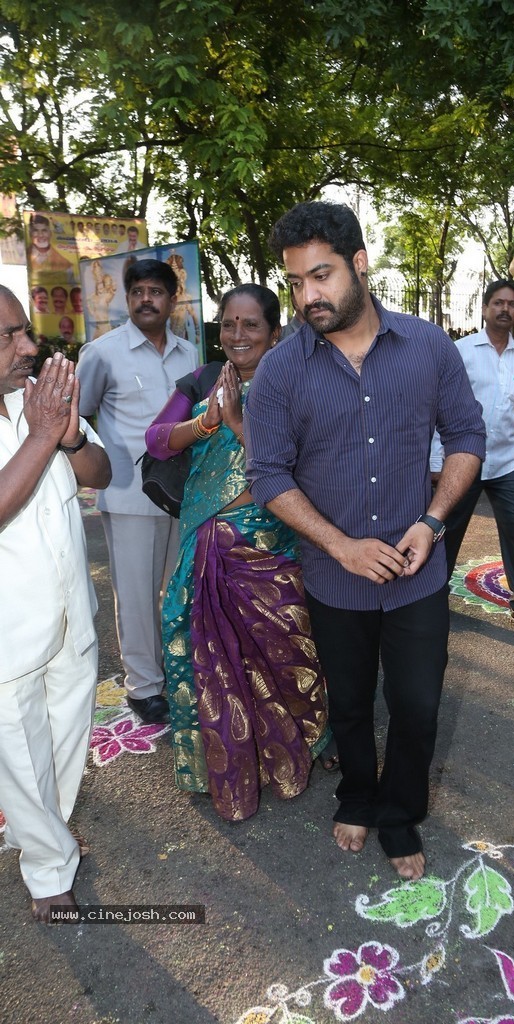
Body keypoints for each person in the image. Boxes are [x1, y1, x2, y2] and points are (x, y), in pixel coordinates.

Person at [245, 202, 486, 880]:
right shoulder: (282, 371)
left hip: (418, 570)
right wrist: (341, 545)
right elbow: (267, 475)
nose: (307, 296)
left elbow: (467, 436)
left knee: (416, 704)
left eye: (320, 276)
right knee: (348, 704)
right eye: (294, 282)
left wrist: (431, 520)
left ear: (358, 263)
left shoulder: (428, 347)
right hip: (332, 576)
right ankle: (356, 793)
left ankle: (399, 811)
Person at [146, 283, 335, 819]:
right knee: (212, 658)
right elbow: (157, 440)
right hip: (207, 540)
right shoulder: (202, 380)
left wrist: (237, 423)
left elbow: (299, 468)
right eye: (229, 323)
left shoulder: (297, 385)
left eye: (251, 325)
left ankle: (303, 742)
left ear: (275, 334)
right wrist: (206, 418)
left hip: (272, 543)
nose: (237, 334)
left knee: (286, 647)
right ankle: (230, 762)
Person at [0, 285, 111, 923]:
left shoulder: (40, 396)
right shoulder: (35, 413)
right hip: (11, 629)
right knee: (19, 751)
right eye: (10, 337)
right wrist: (42, 436)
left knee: (68, 738)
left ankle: (41, 830)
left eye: (26, 330)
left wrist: (67, 439)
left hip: (71, 612)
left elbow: (102, 473)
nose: (29, 346)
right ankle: (46, 869)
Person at [77, 259, 198, 723]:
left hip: (180, 495)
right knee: (135, 594)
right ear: (127, 300)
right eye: (138, 292)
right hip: (128, 493)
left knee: (175, 591)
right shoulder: (102, 353)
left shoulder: (189, 354)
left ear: (172, 300)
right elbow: (81, 417)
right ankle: (144, 687)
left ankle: (173, 670)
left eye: (156, 292)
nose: (146, 299)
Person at [433, 279, 514, 642]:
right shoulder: (460, 352)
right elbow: (439, 409)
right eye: (498, 302)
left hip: (506, 463)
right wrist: (438, 460)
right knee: (444, 532)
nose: (504, 310)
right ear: (484, 309)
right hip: (460, 462)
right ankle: (432, 602)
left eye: (511, 304)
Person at [26, 214, 74, 281]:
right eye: (36, 231)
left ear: (50, 233)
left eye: (44, 230)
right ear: (30, 234)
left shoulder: (64, 263)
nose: (40, 235)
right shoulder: (24, 258)